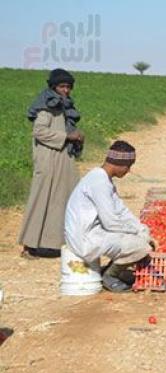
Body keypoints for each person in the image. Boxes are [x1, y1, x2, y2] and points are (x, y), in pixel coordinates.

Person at [65, 141, 154, 292]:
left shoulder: (102, 178)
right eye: (128, 166)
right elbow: (111, 223)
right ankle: (109, 276)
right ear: (120, 164)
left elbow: (120, 210)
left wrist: (140, 227)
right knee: (141, 246)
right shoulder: (99, 183)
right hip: (85, 238)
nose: (128, 171)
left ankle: (109, 269)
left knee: (136, 239)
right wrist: (136, 232)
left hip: (92, 232)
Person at [18, 68, 85, 259]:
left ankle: (54, 243)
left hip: (63, 157)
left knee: (63, 199)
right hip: (48, 158)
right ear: (53, 86)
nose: (65, 90)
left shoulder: (64, 105)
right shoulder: (45, 106)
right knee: (42, 199)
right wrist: (67, 136)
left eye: (68, 87)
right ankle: (29, 245)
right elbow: (39, 132)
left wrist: (77, 137)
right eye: (62, 86)